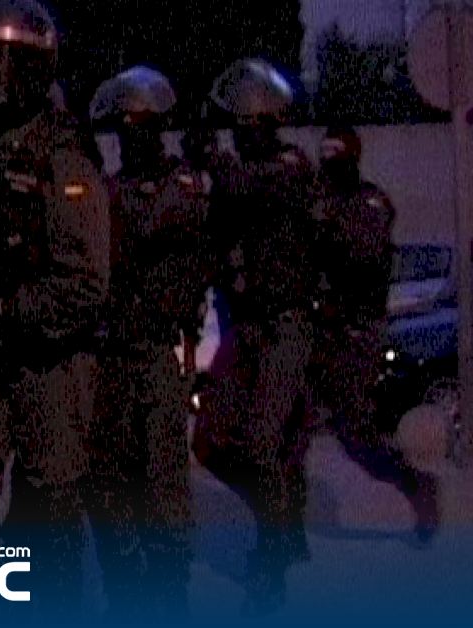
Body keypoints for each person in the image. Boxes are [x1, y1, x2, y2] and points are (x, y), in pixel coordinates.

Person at [0, 0, 111, 612]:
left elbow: (84, 283)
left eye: (7, 62)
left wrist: (7, 311)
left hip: (50, 360)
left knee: (48, 512)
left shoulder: (62, 152)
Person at [190, 58, 319, 615]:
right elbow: (215, 231)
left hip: (285, 324)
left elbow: (256, 188)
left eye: (244, 126)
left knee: (264, 442)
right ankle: (280, 519)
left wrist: (215, 163)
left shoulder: (290, 167)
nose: (237, 136)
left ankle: (273, 558)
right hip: (244, 325)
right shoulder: (236, 177)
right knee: (210, 442)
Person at [87, 66, 209, 619]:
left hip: (158, 350)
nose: (129, 135)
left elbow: (160, 228)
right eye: (123, 125)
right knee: (111, 478)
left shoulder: (181, 185)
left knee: (163, 483)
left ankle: (170, 596)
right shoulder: (113, 188)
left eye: (138, 124)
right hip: (114, 352)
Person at [310, 125, 440, 542]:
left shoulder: (369, 202)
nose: (329, 162)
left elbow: (362, 257)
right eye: (325, 153)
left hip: (356, 328)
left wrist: (327, 233)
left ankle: (414, 484)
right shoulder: (322, 201)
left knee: (357, 436)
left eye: (336, 154)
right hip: (319, 329)